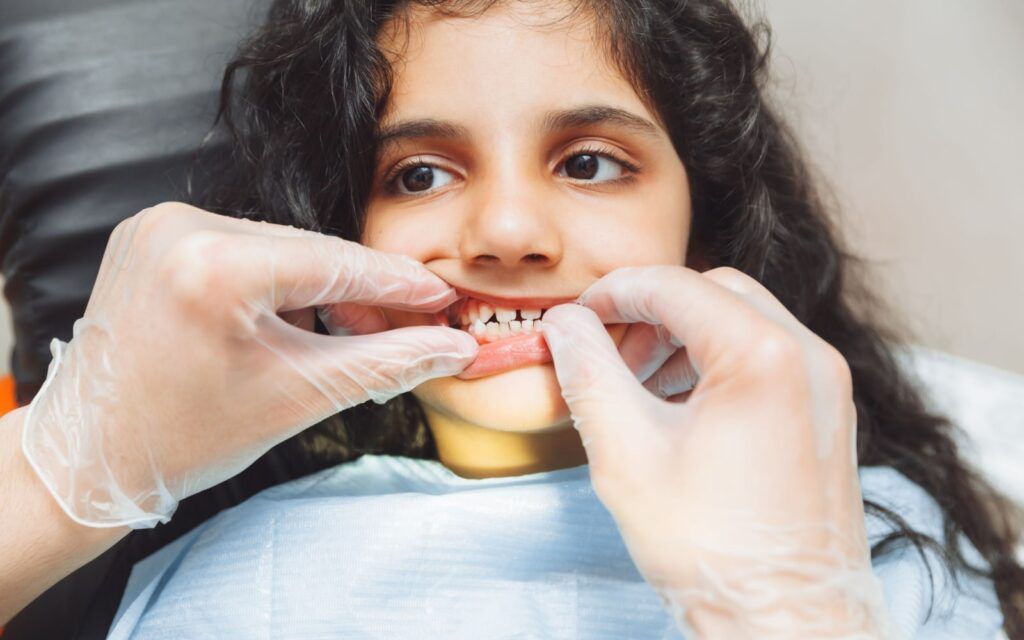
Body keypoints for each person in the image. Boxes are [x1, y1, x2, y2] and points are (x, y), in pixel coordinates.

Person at [1, 0, 1022, 637]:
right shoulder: (214, 558)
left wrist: (788, 613)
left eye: (587, 163)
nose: (504, 230)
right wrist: (58, 471)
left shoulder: (858, 543)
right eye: (421, 173)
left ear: (700, 238)